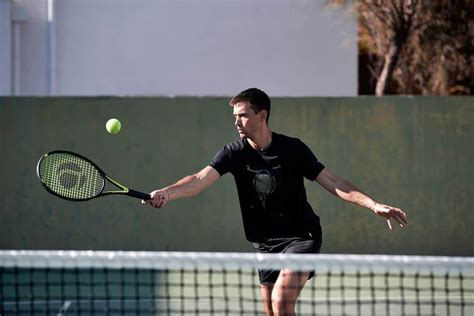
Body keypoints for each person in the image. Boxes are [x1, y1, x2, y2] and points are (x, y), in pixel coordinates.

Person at [143, 88, 407, 316]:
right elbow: (199, 180)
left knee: (282, 303)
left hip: (301, 236)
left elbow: (333, 182)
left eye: (243, 115)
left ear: (262, 115)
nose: (237, 121)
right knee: (271, 312)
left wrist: (373, 204)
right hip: (264, 244)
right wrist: (167, 192)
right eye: (235, 116)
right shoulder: (233, 153)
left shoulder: (293, 149)